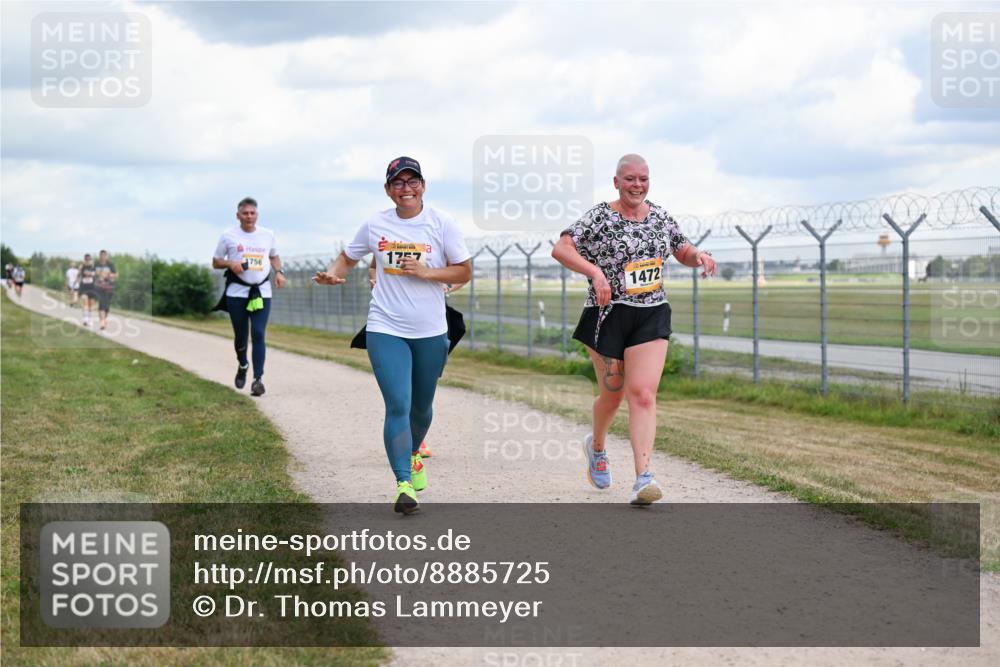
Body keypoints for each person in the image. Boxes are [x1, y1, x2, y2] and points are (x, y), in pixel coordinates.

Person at [551, 154, 717, 506]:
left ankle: (643, 478)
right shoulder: (600, 216)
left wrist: (698, 256)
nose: (637, 185)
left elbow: (680, 248)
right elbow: (561, 249)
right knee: (613, 394)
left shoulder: (659, 216)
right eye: (630, 179)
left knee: (642, 394)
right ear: (616, 182)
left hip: (651, 313)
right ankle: (596, 447)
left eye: (643, 178)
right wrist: (595, 273)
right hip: (606, 314)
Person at [314, 157, 471, 514]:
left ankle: (413, 452)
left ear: (423, 186)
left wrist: (427, 273)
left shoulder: (442, 223)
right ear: (388, 190)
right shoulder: (375, 225)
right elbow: (347, 257)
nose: (406, 189)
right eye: (397, 183)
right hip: (386, 327)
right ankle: (403, 484)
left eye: (411, 181)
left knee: (421, 407)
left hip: (431, 330)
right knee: (398, 403)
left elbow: (464, 270)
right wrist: (333, 273)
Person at [365, 265, 468, 459]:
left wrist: (447, 285)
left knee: (421, 390)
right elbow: (373, 267)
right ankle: (410, 443)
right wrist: (376, 280)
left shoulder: (440, 236)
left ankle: (415, 435)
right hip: (392, 318)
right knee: (401, 390)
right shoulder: (389, 237)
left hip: (431, 321)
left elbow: (464, 272)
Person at [212, 197, 286, 396]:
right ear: (238, 216)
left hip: (261, 292)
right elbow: (216, 262)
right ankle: (243, 364)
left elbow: (274, 255)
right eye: (245, 213)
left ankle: (257, 379)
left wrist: (279, 272)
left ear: (257, 215)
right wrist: (230, 264)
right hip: (237, 292)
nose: (249, 217)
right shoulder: (228, 236)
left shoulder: (267, 235)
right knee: (241, 336)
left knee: (259, 334)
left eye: (252, 213)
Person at [93, 250, 118, 331]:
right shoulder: (96, 264)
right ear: (99, 256)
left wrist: (108, 275)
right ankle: (102, 324)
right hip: (98, 287)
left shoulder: (110, 264)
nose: (103, 256)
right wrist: (97, 273)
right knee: (101, 305)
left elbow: (116, 274)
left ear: (107, 256)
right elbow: (92, 273)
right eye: (101, 255)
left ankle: (104, 319)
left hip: (109, 287)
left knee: (106, 307)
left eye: (104, 255)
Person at [77, 254, 97, 326]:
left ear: (91, 260)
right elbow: (78, 276)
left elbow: (95, 275)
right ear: (84, 260)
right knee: (85, 302)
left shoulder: (94, 267)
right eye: (86, 260)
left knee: (91, 305)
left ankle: (90, 319)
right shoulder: (82, 267)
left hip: (92, 288)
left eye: (89, 259)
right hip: (84, 288)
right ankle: (85, 319)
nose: (88, 261)